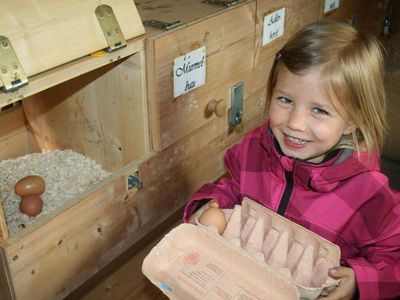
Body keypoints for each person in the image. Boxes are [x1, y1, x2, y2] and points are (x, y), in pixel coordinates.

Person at [183, 20, 400, 300]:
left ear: (352, 121)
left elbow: (394, 260)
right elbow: (232, 188)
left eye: (319, 110)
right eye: (285, 100)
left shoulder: (369, 194)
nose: (295, 123)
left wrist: (361, 281)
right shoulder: (255, 148)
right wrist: (206, 207)